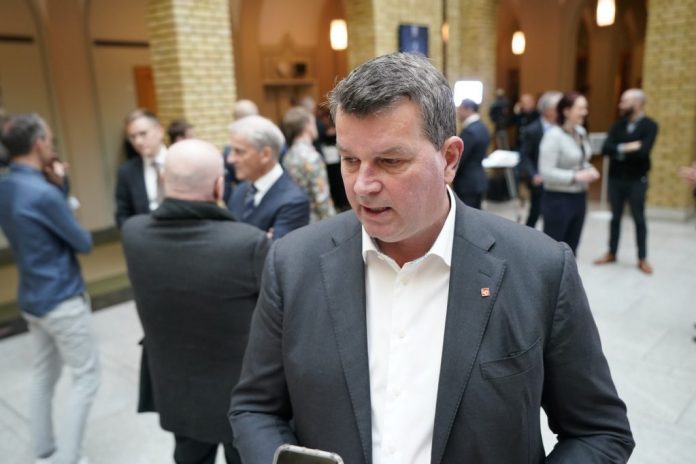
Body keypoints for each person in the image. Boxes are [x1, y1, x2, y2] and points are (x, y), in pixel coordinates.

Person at [229, 53, 633, 464]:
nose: (363, 185)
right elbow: (255, 408)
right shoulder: (293, 263)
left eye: (390, 161)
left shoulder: (539, 267)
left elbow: (599, 432)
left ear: (449, 159)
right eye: (350, 160)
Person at [121, 139, 269, 464]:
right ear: (219, 186)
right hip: (239, 396)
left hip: (177, 387)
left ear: (163, 180)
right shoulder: (247, 243)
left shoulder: (133, 234)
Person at [0, 113, 100, 464]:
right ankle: (68, 459)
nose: (52, 145)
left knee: (44, 374)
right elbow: (83, 242)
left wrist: (58, 189)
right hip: (61, 298)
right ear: (39, 143)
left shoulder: (5, 185)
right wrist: (61, 189)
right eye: (51, 139)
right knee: (86, 378)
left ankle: (43, 448)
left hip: (32, 296)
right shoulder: (44, 192)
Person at [593, 89, 659, 274]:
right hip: (616, 179)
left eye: (624, 101)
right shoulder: (618, 125)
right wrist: (627, 147)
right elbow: (606, 149)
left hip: (637, 179)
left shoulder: (650, 126)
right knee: (615, 217)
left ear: (637, 104)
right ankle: (612, 252)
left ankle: (642, 258)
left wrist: (618, 149)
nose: (620, 105)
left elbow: (643, 152)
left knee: (639, 218)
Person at [226, 115, 309, 239]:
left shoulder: (293, 201)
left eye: (239, 152)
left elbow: (279, 250)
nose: (230, 159)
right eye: (231, 151)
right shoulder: (240, 190)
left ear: (265, 154)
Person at [539, 92, 600, 254]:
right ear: (566, 111)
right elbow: (546, 172)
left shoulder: (580, 132)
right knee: (555, 250)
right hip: (558, 199)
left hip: (579, 197)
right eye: (580, 108)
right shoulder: (553, 136)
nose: (584, 112)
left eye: (585, 108)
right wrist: (575, 177)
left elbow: (581, 159)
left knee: (572, 248)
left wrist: (588, 168)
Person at [281, 106, 336, 222]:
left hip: (297, 218)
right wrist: (333, 223)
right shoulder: (312, 157)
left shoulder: (288, 156)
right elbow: (322, 198)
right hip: (315, 221)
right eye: (313, 122)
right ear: (307, 126)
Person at [115, 109, 167, 227]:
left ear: (160, 131)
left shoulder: (181, 161)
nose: (138, 141)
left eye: (143, 134)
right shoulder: (126, 172)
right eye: (132, 137)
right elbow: (122, 215)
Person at [519, 91, 563, 228]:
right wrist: (534, 175)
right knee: (535, 212)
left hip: (559, 180)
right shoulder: (532, 130)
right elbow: (525, 156)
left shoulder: (563, 129)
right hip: (540, 180)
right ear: (548, 110)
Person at [452, 98, 490, 209]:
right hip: (478, 179)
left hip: (467, 182)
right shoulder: (482, 128)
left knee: (465, 216)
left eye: (460, 109)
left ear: (468, 109)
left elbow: (460, 158)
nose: (458, 112)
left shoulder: (470, 131)